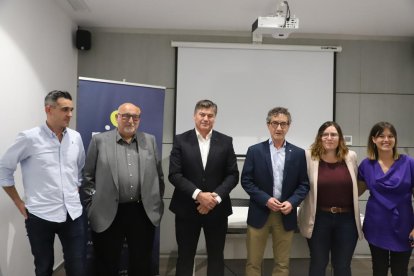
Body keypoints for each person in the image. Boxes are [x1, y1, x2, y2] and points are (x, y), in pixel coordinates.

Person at [0, 90, 86, 276]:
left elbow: (79, 169)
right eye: (65, 109)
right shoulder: (29, 138)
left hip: (73, 214)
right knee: (43, 267)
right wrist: (18, 202)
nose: (70, 114)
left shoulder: (75, 138)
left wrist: (74, 188)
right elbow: (4, 169)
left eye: (71, 109)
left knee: (78, 267)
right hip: (40, 215)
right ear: (49, 109)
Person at [82, 103, 164, 276]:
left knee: (141, 264)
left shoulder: (149, 141)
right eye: (125, 116)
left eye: (135, 117)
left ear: (139, 120)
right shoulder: (100, 141)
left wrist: (155, 203)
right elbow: (88, 177)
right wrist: (92, 207)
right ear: (117, 118)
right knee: (106, 264)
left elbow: (159, 176)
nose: (130, 120)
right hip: (108, 211)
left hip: (142, 212)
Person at [169, 99, 239, 276]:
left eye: (210, 115)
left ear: (215, 118)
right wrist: (199, 195)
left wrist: (214, 198)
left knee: (216, 257)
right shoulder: (180, 140)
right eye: (202, 114)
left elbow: (232, 175)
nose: (206, 118)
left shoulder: (225, 141)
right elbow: (174, 174)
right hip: (186, 208)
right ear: (194, 116)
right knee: (185, 256)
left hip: (217, 209)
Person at [241, 107, 309, 276]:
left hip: (285, 214)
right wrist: (266, 199)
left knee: (282, 263)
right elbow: (246, 181)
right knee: (253, 262)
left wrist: (292, 202)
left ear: (289, 126)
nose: (279, 128)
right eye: (275, 123)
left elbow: (304, 184)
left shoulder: (299, 153)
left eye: (283, 124)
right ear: (268, 125)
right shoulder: (255, 151)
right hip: (260, 211)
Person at [297, 121, 363, 276]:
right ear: (319, 137)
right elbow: (300, 184)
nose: (329, 138)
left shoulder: (350, 156)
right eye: (325, 134)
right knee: (319, 263)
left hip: (347, 220)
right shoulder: (308, 156)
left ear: (340, 138)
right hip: (319, 218)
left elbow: (357, 186)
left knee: (342, 265)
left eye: (333, 134)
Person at [358, 122, 414, 276]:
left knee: (400, 270)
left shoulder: (409, 163)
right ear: (373, 139)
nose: (386, 139)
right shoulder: (366, 165)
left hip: (404, 224)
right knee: (379, 269)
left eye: (390, 136)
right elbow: (355, 192)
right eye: (381, 136)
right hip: (377, 224)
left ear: (395, 139)